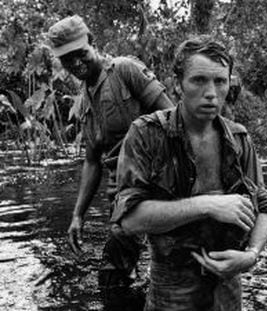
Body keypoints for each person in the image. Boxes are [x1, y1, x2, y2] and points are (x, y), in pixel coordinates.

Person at [112, 35, 267, 310]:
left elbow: (264, 204)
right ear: (177, 85)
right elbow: (129, 220)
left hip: (228, 289)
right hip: (171, 292)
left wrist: (252, 254)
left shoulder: (238, 139)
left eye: (220, 81)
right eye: (199, 80)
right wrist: (206, 205)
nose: (212, 93)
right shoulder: (146, 134)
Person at [46, 15, 174, 290]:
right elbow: (92, 161)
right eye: (67, 60)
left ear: (92, 43)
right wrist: (78, 215)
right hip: (121, 193)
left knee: (114, 275)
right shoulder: (83, 103)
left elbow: (173, 120)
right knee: (120, 277)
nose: (76, 64)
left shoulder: (125, 71)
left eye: (81, 54)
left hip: (154, 182)